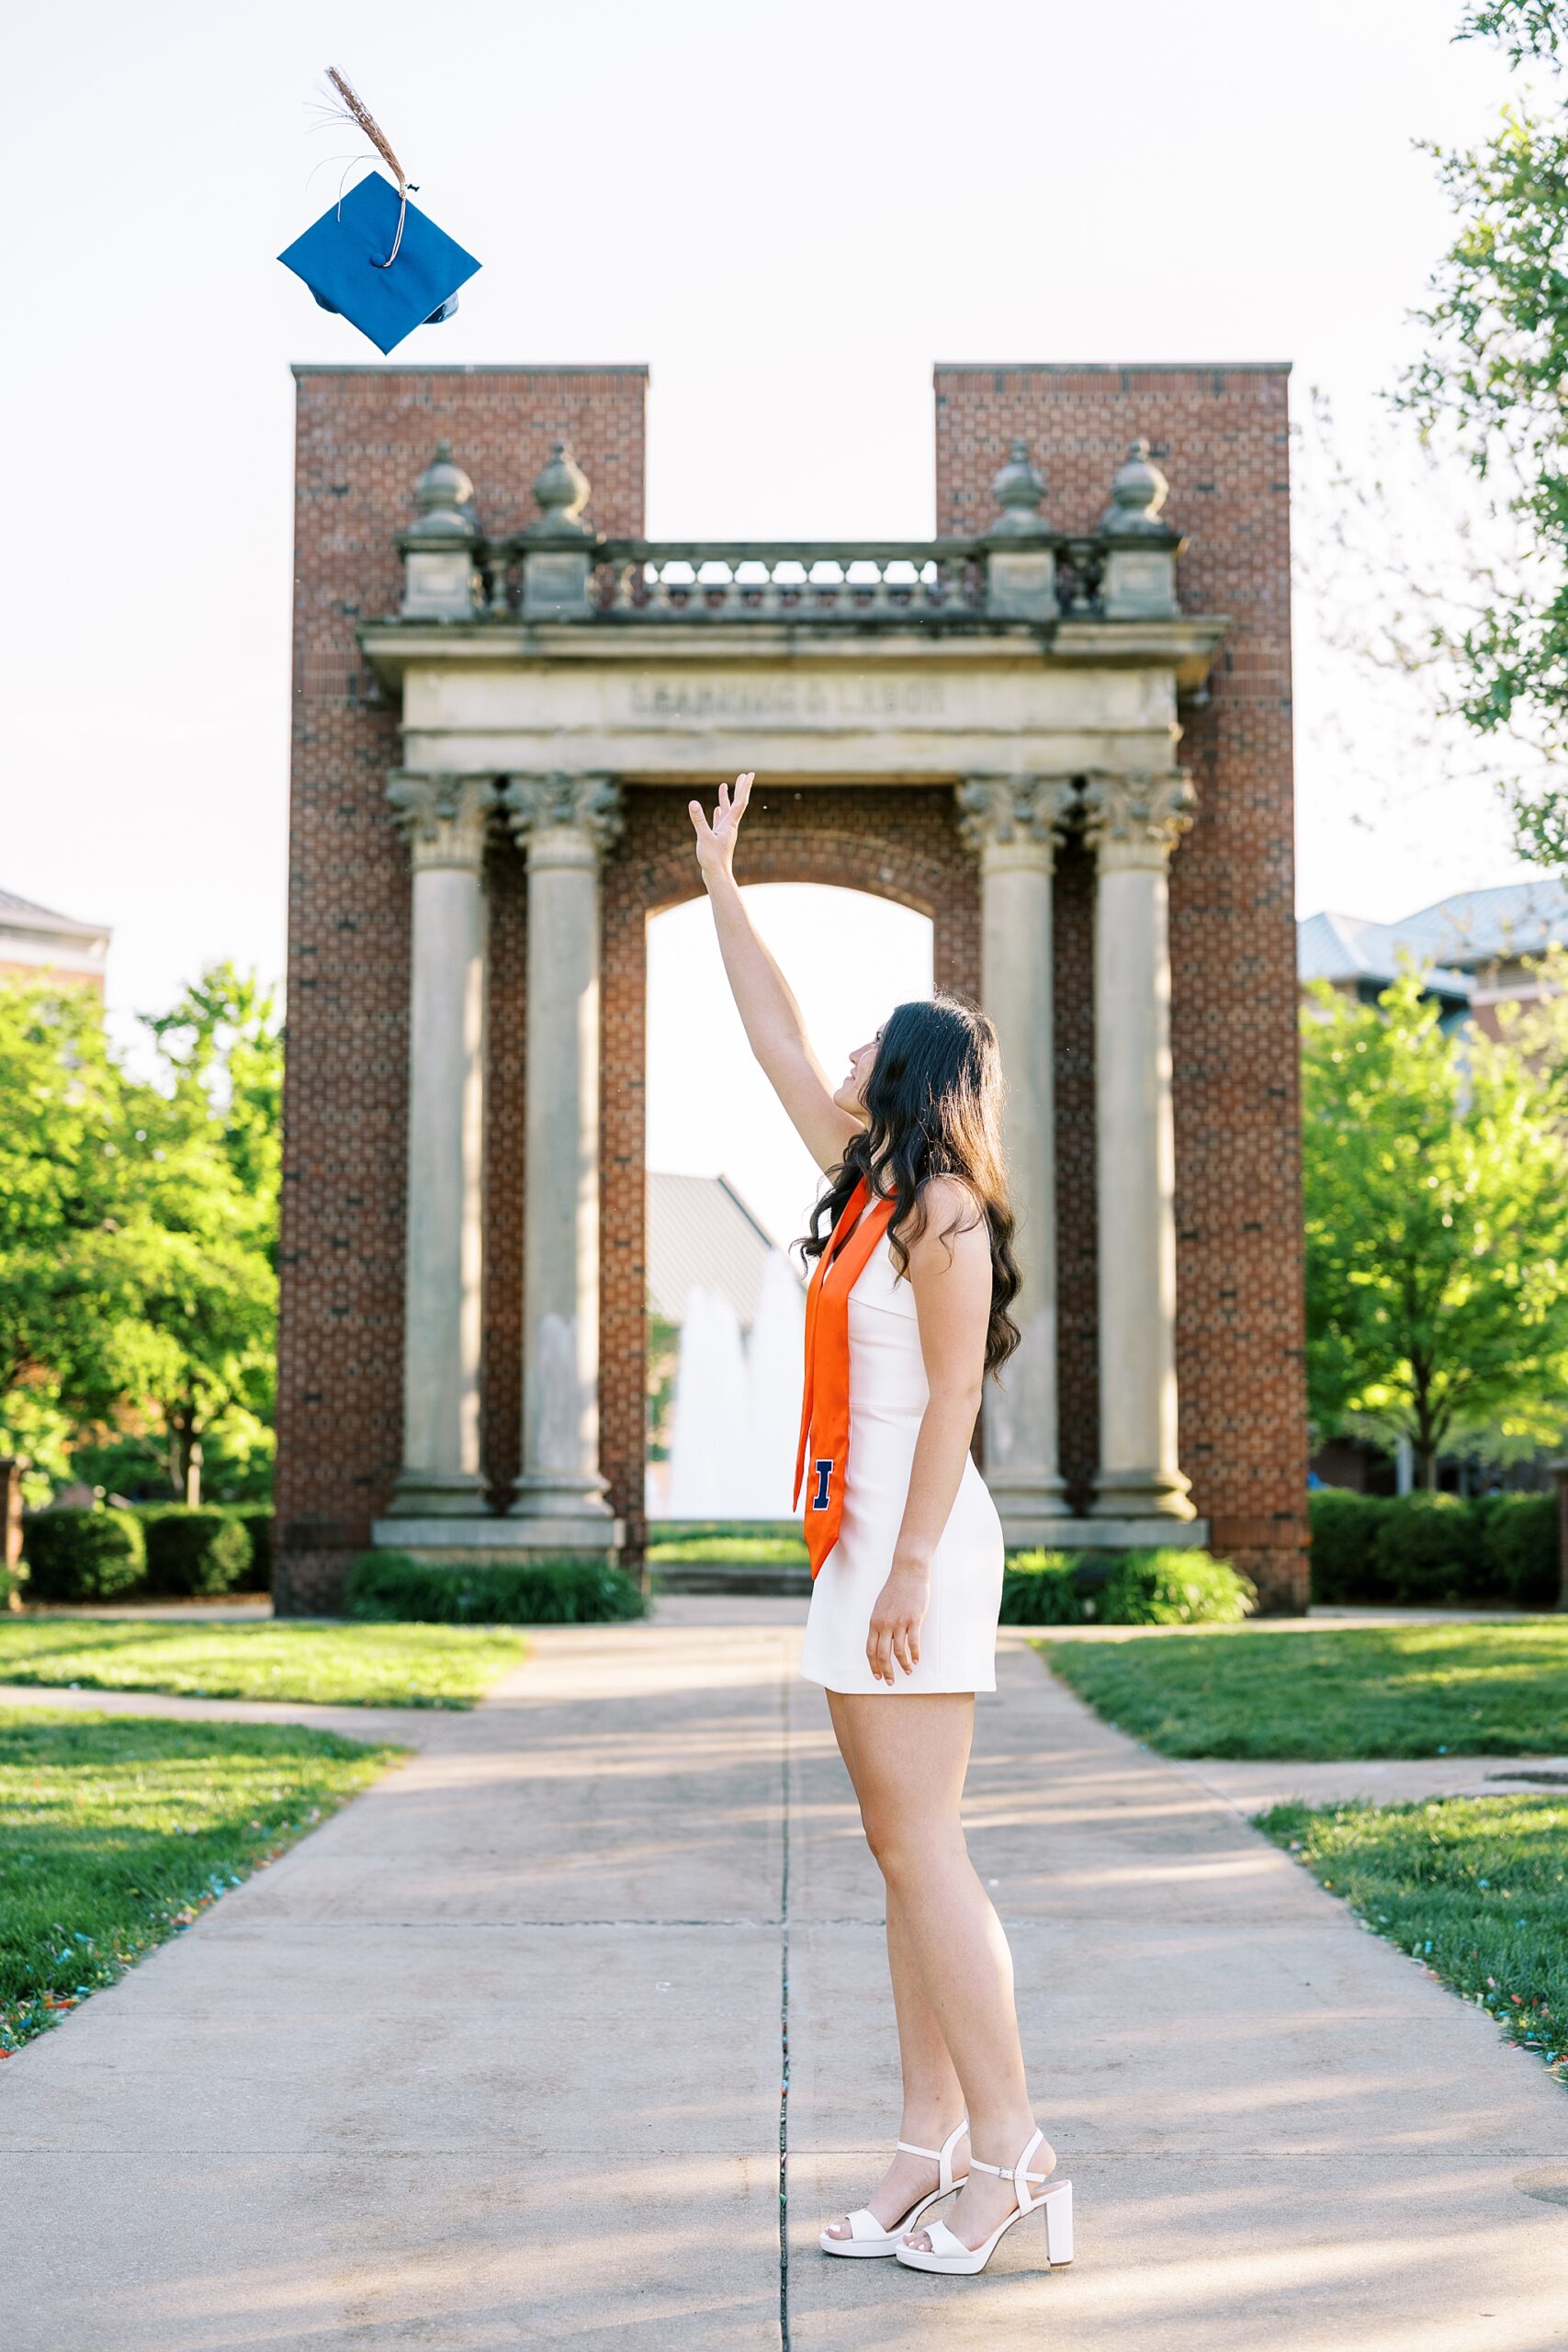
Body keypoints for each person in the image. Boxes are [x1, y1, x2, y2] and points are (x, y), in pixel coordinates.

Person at [688, 774, 1073, 2281]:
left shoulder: (947, 1217)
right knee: (904, 1854)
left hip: (917, 1546)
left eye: (871, 1042)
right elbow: (774, 1034)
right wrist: (725, 887)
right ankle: (926, 2151)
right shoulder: (865, 1194)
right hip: (867, 1547)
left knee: (928, 1854)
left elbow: (956, 1404)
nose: (842, 1052)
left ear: (913, 1073)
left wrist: (908, 1566)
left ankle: (1014, 2153)